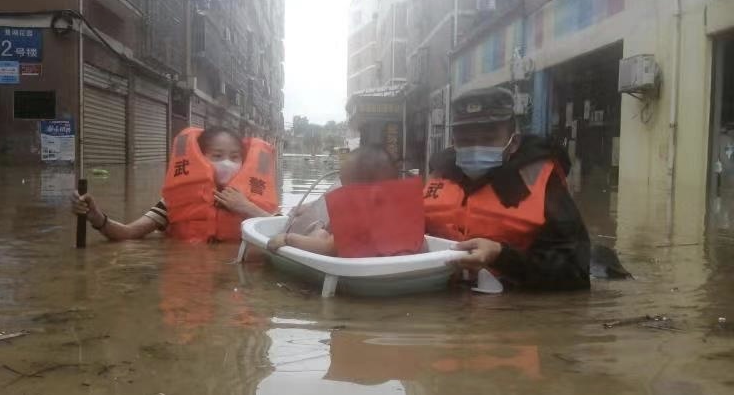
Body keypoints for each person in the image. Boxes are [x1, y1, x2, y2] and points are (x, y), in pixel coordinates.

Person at [424, 86, 590, 291]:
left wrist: (501, 256)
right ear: (453, 143)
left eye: (488, 139)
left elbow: (576, 273)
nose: (476, 148)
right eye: (465, 141)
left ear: (513, 142)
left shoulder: (542, 182)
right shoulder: (440, 174)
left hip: (510, 306)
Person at [70, 127, 278, 242]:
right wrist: (96, 217)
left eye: (235, 157)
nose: (227, 163)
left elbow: (286, 233)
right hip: (191, 284)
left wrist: (246, 207)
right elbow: (128, 233)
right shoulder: (173, 203)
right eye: (217, 155)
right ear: (199, 157)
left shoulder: (256, 204)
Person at [267, 145, 424, 257]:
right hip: (403, 269)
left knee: (320, 234)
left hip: (362, 275)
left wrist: (289, 239)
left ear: (360, 189)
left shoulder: (360, 218)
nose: (341, 190)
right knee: (324, 232)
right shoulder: (398, 212)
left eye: (345, 186)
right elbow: (422, 243)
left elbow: (327, 249)